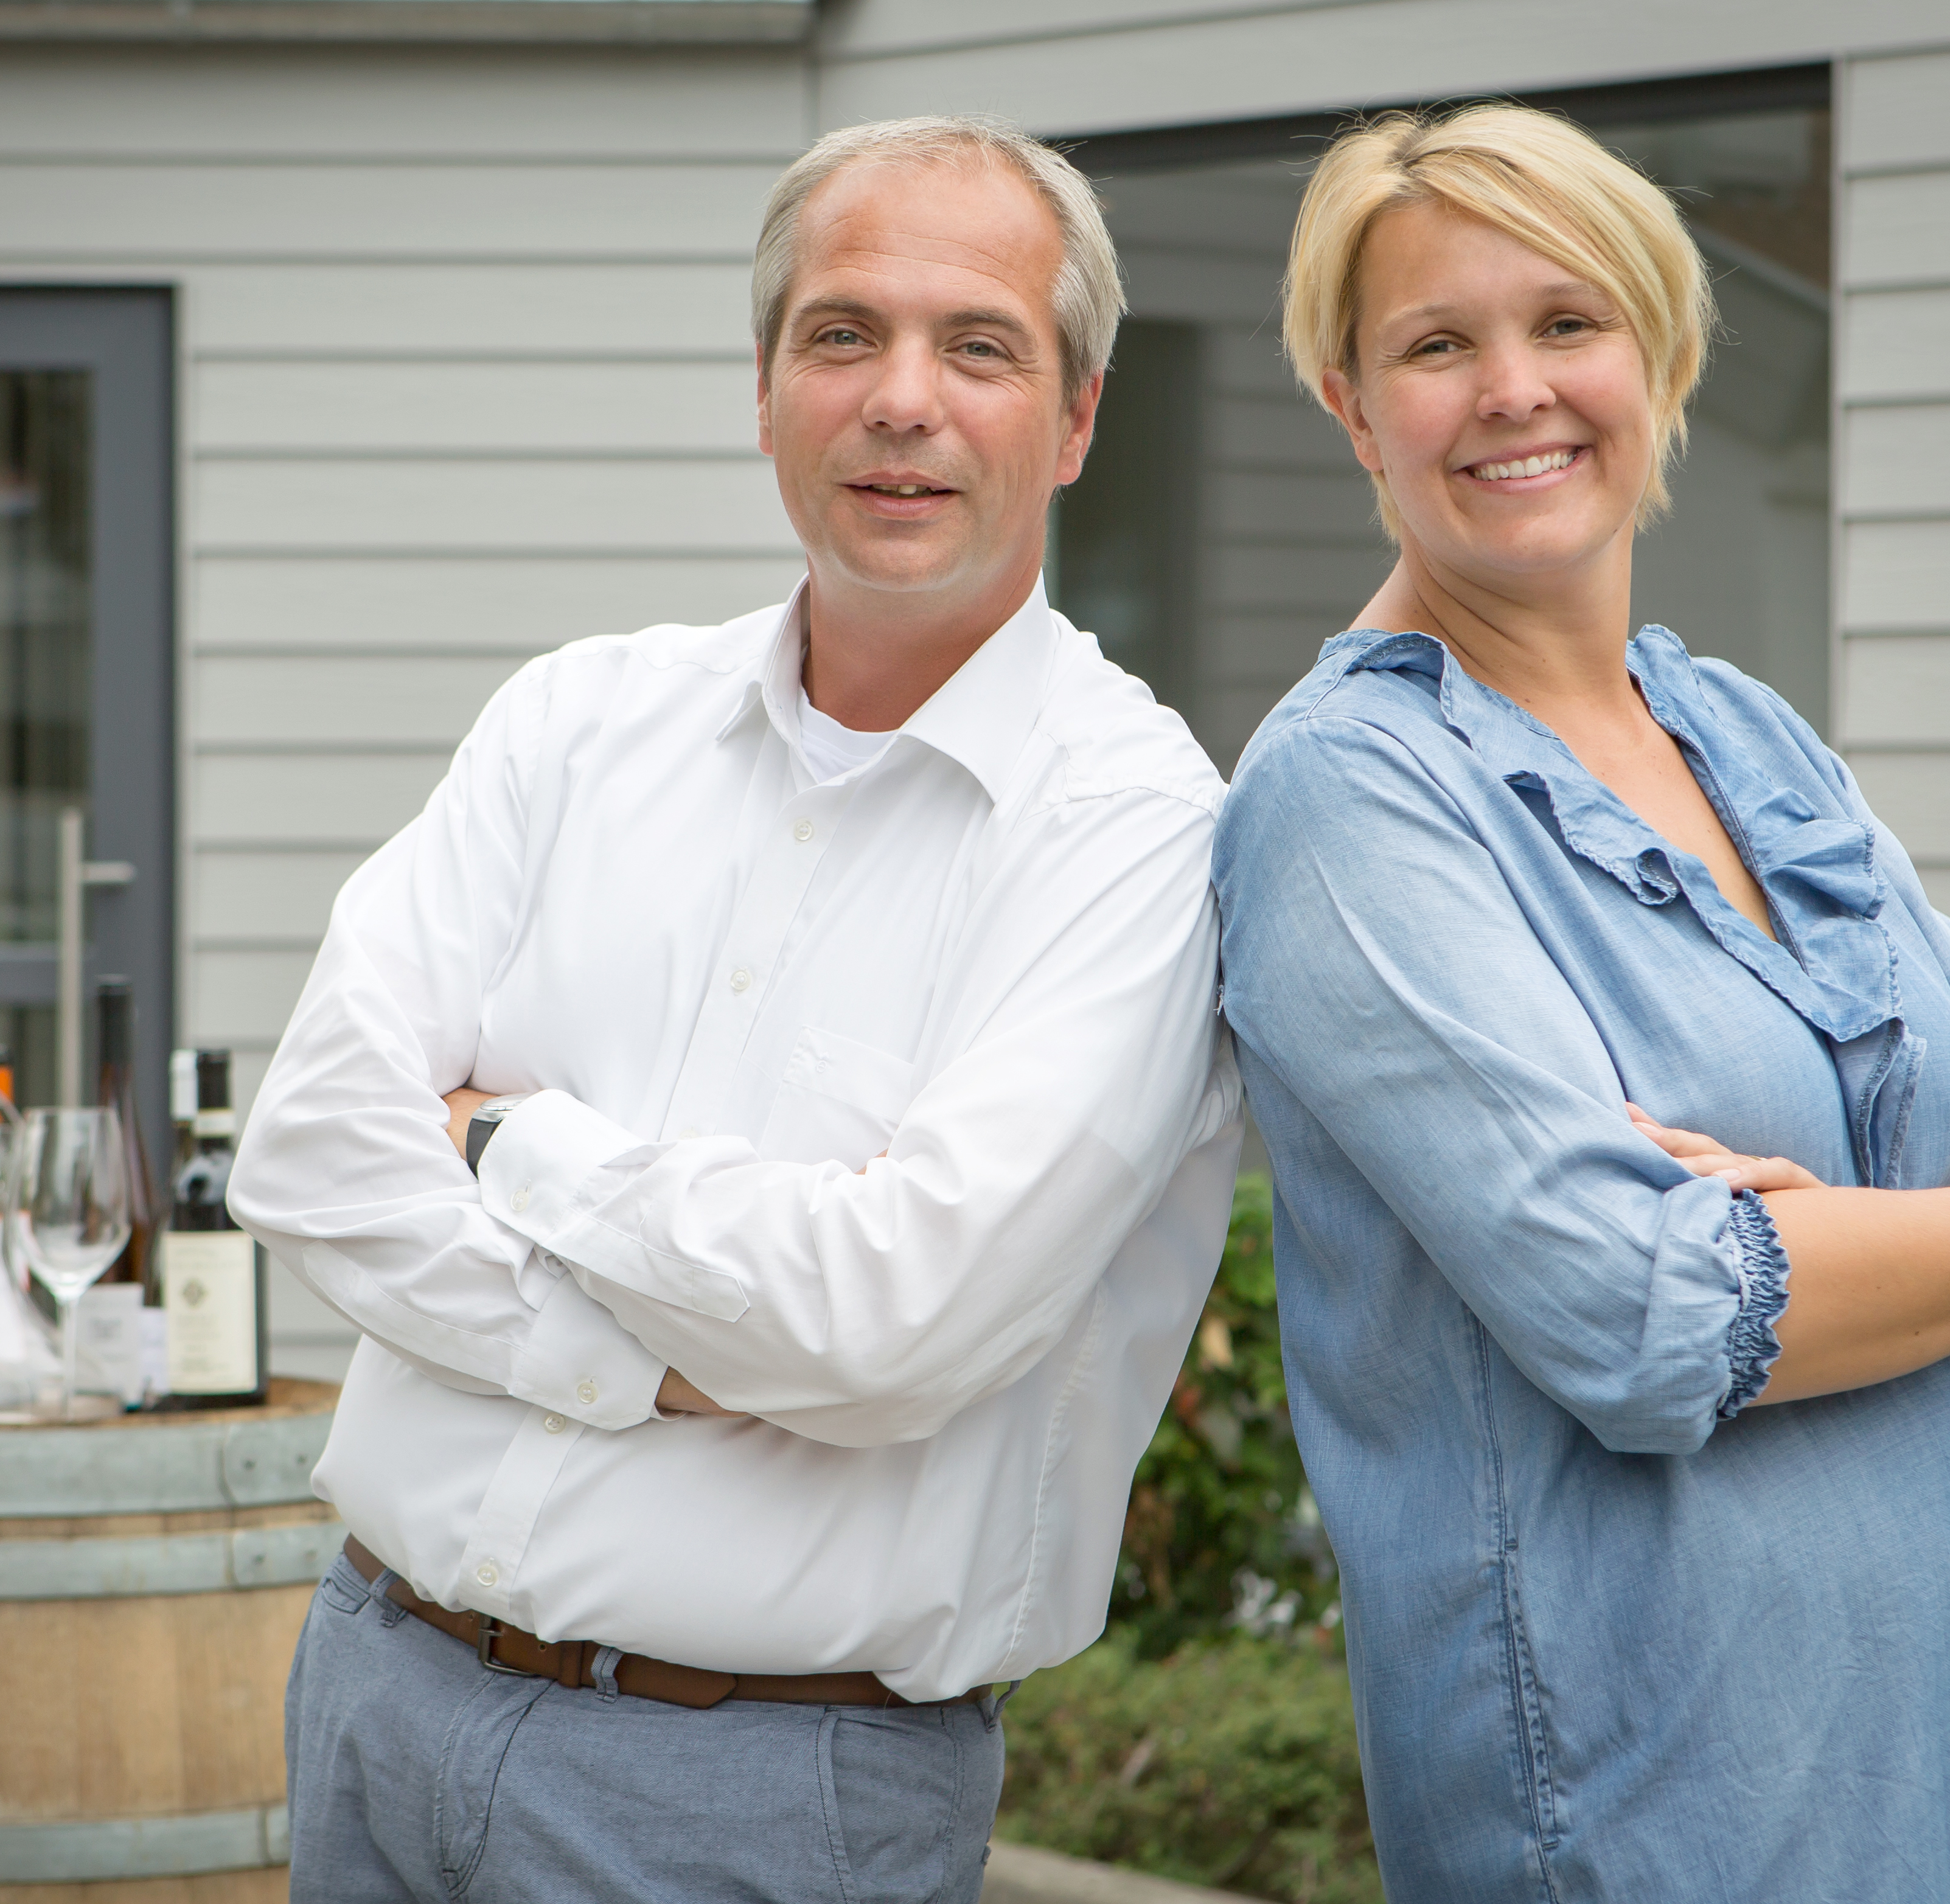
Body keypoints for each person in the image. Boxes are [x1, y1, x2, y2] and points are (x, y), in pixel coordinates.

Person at [231, 114, 1241, 1904]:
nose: (900, 399)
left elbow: (896, 1319)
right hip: (371, 1692)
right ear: (765, 386)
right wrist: (654, 1355)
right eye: (842, 334)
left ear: (1077, 419)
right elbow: (311, 1148)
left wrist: (510, 1144)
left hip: (763, 1788)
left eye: (979, 345)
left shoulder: (1132, 829)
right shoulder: (574, 724)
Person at [1213, 106, 1950, 1902]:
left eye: (1568, 323)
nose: (1513, 389)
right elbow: (1653, 1318)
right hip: (1679, 1798)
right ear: (1351, 407)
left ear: (1663, 355)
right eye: (1436, 343)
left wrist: (1912, 1234)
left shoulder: (1744, 731)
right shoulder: (1349, 798)